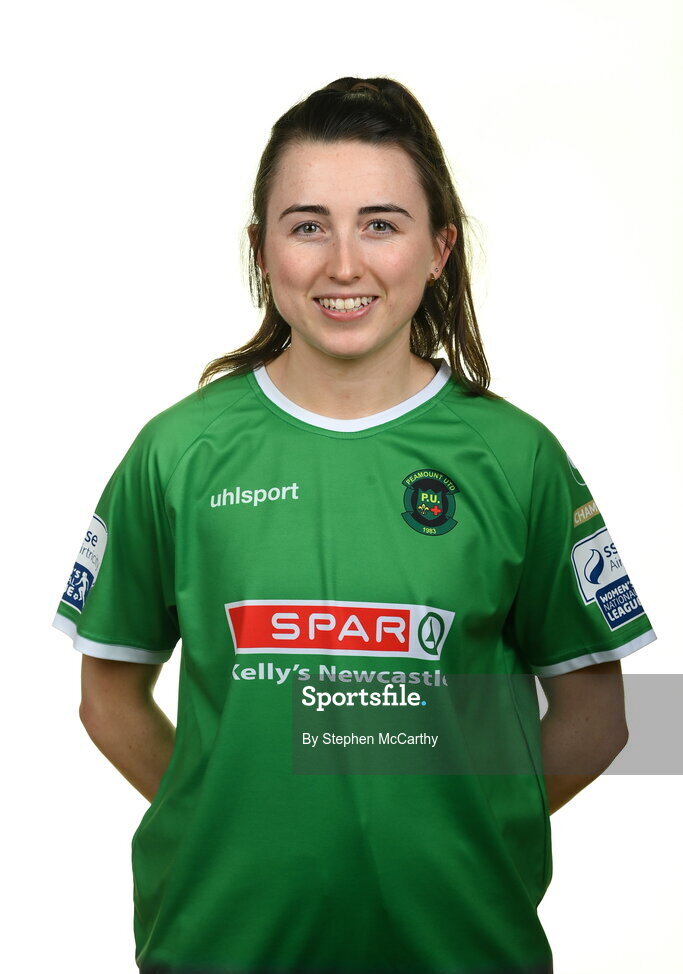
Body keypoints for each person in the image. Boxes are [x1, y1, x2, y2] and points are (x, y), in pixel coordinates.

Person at [52, 77, 658, 974]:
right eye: (306, 225)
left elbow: (597, 718)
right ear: (261, 250)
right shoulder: (179, 452)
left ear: (439, 247)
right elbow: (107, 697)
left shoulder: (515, 457)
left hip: (459, 948)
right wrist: (233, 806)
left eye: (380, 223)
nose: (343, 263)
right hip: (223, 947)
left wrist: (465, 820)